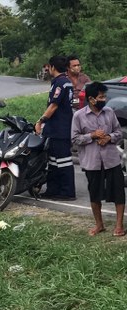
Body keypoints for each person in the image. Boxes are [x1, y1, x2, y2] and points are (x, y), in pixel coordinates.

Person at [72, 82, 125, 236]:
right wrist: (92, 136)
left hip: (111, 160)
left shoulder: (109, 112)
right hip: (92, 162)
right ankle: (99, 225)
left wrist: (109, 137)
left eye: (104, 96)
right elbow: (75, 139)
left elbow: (119, 132)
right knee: (95, 193)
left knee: (118, 192)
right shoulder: (79, 116)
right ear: (91, 99)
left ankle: (119, 226)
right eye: (101, 97)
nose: (104, 99)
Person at [36, 55, 76, 200]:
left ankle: (67, 192)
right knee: (53, 161)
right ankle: (53, 190)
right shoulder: (65, 82)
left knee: (63, 161)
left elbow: (53, 106)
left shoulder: (60, 83)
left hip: (60, 128)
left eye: (49, 67)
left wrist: (40, 121)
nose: (48, 69)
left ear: (52, 67)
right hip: (57, 128)